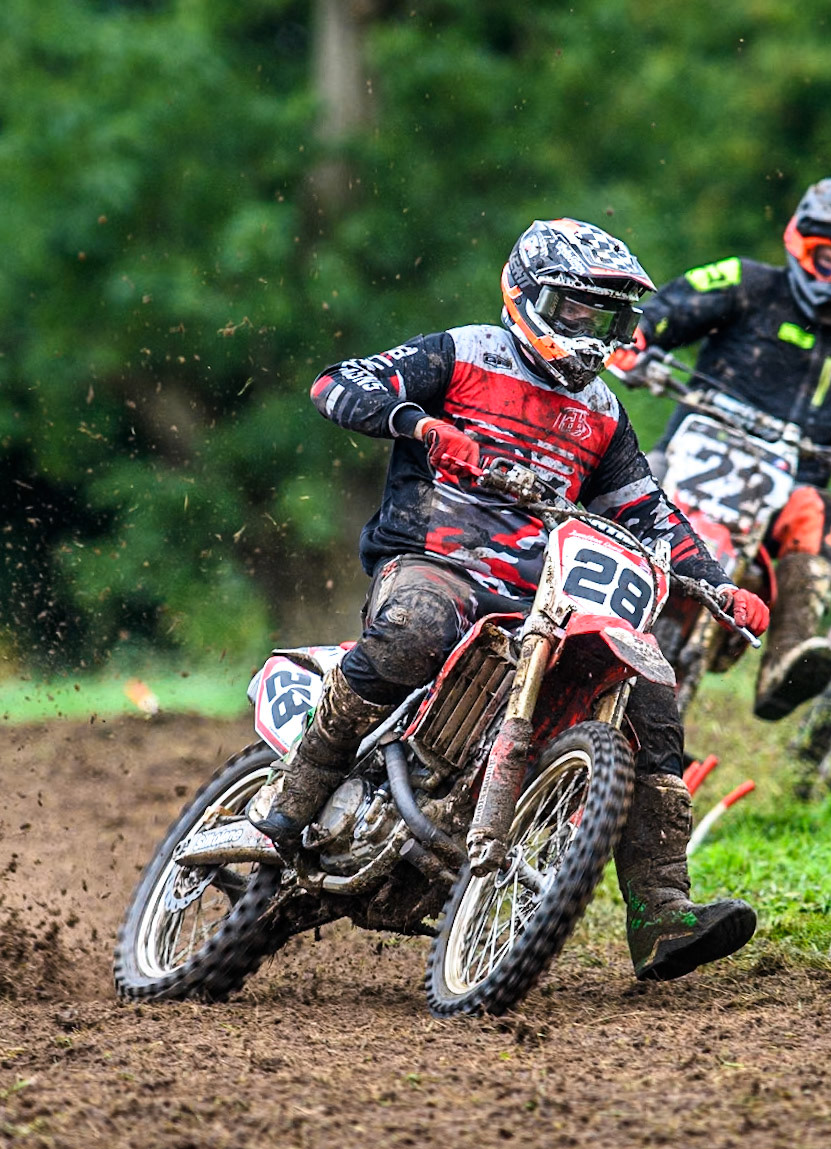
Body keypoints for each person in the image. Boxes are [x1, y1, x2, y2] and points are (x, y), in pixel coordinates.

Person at [255, 218, 769, 982]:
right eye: (574, 310)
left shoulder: (601, 411)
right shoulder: (462, 353)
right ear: (526, 295)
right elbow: (338, 384)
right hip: (435, 560)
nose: (589, 333)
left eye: (607, 319)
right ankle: (293, 800)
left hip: (541, 590)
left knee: (650, 692)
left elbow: (646, 510)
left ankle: (661, 912)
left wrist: (720, 583)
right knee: (416, 630)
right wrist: (422, 426)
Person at [617, 178, 831, 721]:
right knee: (625, 489)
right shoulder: (745, 282)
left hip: (789, 493)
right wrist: (639, 340)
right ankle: (555, 608)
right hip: (687, 456)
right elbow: (668, 307)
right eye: (828, 260)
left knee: (821, 514)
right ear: (801, 247)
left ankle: (786, 659)